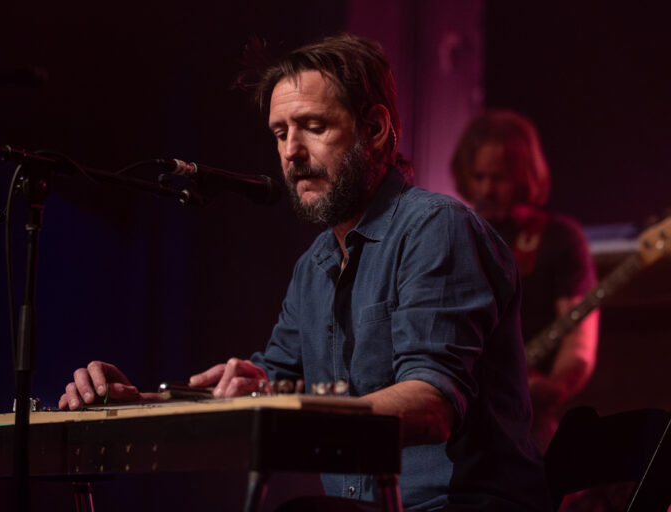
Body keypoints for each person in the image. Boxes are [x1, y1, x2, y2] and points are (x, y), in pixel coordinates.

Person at [60, 35, 551, 511]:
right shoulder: (314, 265)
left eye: (313, 126)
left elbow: (431, 403)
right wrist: (133, 402)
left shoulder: (436, 228)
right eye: (280, 134)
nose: (291, 152)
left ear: (375, 130)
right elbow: (268, 384)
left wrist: (279, 407)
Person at [450, 109, 599, 454]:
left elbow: (579, 339)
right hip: (457, 416)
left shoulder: (558, 237)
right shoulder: (455, 232)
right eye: (479, 176)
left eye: (499, 178)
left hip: (525, 422)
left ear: (524, 176)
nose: (486, 189)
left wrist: (555, 386)